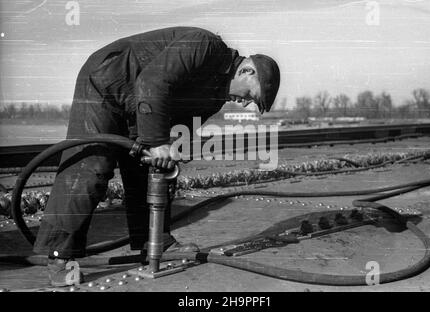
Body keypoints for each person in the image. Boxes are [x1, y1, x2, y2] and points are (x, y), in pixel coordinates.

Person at [33, 26, 280, 286]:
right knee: (92, 167)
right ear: (247, 70)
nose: (243, 103)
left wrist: (176, 146)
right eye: (251, 95)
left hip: (139, 103)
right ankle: (59, 257)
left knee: (154, 169)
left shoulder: (215, 97)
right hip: (106, 83)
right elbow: (152, 82)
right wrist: (157, 142)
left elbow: (180, 125)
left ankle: (155, 242)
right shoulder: (205, 45)